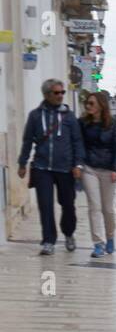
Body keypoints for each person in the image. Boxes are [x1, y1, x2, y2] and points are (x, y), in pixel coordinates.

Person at [17, 78, 85, 255]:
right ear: (46, 94)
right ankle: (48, 240)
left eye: (62, 92)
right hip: (42, 168)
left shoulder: (69, 117)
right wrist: (22, 163)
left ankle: (69, 233)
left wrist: (78, 164)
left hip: (66, 169)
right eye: (57, 93)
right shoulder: (35, 115)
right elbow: (27, 141)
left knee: (68, 205)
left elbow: (77, 142)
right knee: (45, 205)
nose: (61, 96)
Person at [78, 91, 116, 259]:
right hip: (89, 168)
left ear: (101, 106)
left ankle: (110, 236)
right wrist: (79, 164)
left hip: (108, 169)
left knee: (108, 209)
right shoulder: (83, 123)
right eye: (87, 103)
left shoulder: (113, 124)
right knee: (94, 206)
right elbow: (79, 143)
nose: (88, 106)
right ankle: (98, 243)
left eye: (91, 103)